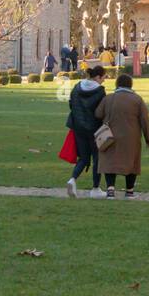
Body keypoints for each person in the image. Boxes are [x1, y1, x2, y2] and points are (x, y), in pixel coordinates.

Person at [95, 73, 149, 199]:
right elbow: (145, 121)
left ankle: (110, 190)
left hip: (110, 135)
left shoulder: (108, 98)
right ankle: (129, 191)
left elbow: (98, 113)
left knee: (110, 161)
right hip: (131, 137)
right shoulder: (137, 100)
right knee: (132, 162)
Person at [66, 65, 108, 199]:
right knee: (97, 158)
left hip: (78, 127)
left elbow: (71, 104)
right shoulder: (100, 92)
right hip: (95, 128)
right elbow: (102, 111)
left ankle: (73, 179)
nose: (104, 81)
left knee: (83, 158)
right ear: (98, 77)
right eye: (103, 78)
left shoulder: (77, 87)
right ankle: (95, 188)